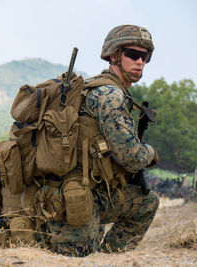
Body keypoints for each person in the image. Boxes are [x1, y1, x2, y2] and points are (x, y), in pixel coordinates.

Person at [46, 24, 160, 256]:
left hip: (77, 193)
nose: (140, 62)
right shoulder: (111, 95)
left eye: (145, 57)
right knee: (147, 203)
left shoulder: (94, 87)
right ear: (114, 55)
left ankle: (106, 255)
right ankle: (111, 256)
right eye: (133, 54)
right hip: (80, 199)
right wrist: (151, 154)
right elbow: (131, 156)